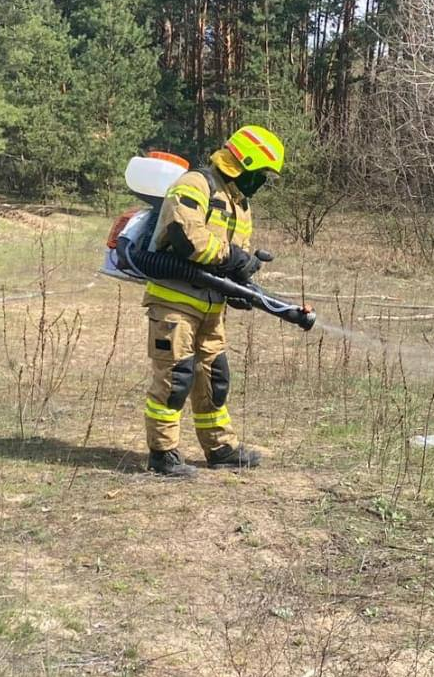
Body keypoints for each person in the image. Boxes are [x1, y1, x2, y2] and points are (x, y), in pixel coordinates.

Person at [142, 125, 284, 477]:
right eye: (261, 172)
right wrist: (233, 258)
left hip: (211, 306)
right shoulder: (195, 184)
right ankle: (163, 454)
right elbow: (187, 237)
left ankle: (220, 448)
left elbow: (236, 256)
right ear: (244, 163)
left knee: (213, 377)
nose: (262, 181)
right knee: (175, 377)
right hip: (175, 303)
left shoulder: (241, 204)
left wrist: (240, 285)